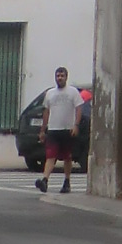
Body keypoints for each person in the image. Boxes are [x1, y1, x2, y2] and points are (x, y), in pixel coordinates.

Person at [37, 66, 82, 195]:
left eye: (62, 76)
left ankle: (67, 182)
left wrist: (76, 125)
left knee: (67, 157)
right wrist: (42, 130)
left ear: (66, 77)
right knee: (50, 156)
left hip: (67, 129)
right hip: (53, 129)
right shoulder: (50, 93)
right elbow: (46, 112)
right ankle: (44, 180)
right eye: (58, 76)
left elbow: (78, 109)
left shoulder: (73, 92)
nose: (60, 78)